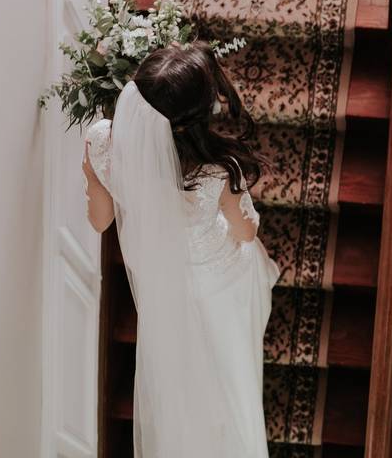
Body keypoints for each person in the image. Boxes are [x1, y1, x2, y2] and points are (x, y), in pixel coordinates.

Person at [82, 42, 279, 457]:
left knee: (184, 378)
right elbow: (245, 233)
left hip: (163, 288)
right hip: (216, 283)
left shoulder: (101, 141)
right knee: (227, 369)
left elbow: (100, 220)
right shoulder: (217, 171)